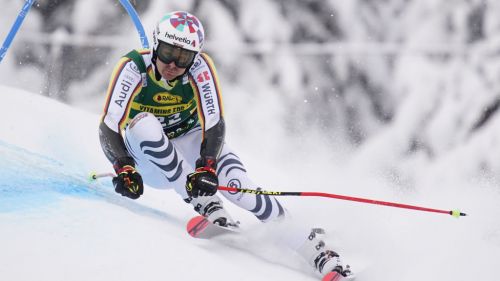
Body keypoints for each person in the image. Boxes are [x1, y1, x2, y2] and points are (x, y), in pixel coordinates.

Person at [98, 11, 352, 279]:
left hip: (191, 140)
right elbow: (108, 125)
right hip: (148, 160)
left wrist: (206, 167)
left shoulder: (199, 68)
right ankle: (205, 201)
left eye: (183, 57)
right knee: (145, 124)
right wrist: (123, 167)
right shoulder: (133, 67)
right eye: (167, 51)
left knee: (241, 188)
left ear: (194, 57)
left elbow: (214, 122)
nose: (172, 63)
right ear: (155, 44)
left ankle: (319, 253)